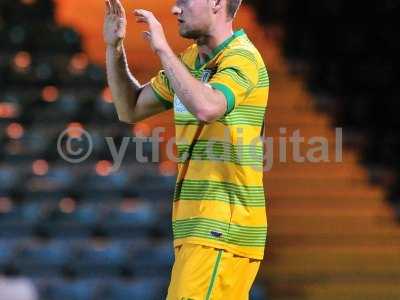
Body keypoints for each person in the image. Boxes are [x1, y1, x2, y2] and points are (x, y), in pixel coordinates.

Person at [104, 0, 269, 299]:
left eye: (184, 0)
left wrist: (162, 49)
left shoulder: (242, 58)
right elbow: (129, 108)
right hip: (198, 229)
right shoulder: (191, 60)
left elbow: (208, 106)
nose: (175, 9)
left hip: (221, 228)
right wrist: (114, 48)